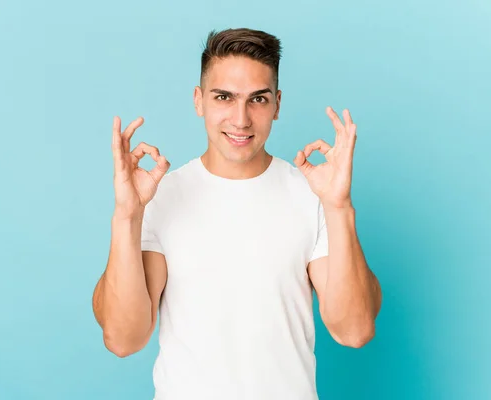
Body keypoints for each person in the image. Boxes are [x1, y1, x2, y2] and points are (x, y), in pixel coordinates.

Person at [92, 27, 382, 400]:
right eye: (224, 97)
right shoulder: (159, 197)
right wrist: (127, 216)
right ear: (199, 101)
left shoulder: (313, 197)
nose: (241, 119)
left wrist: (339, 207)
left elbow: (354, 331)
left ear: (277, 104)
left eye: (257, 99)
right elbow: (122, 339)